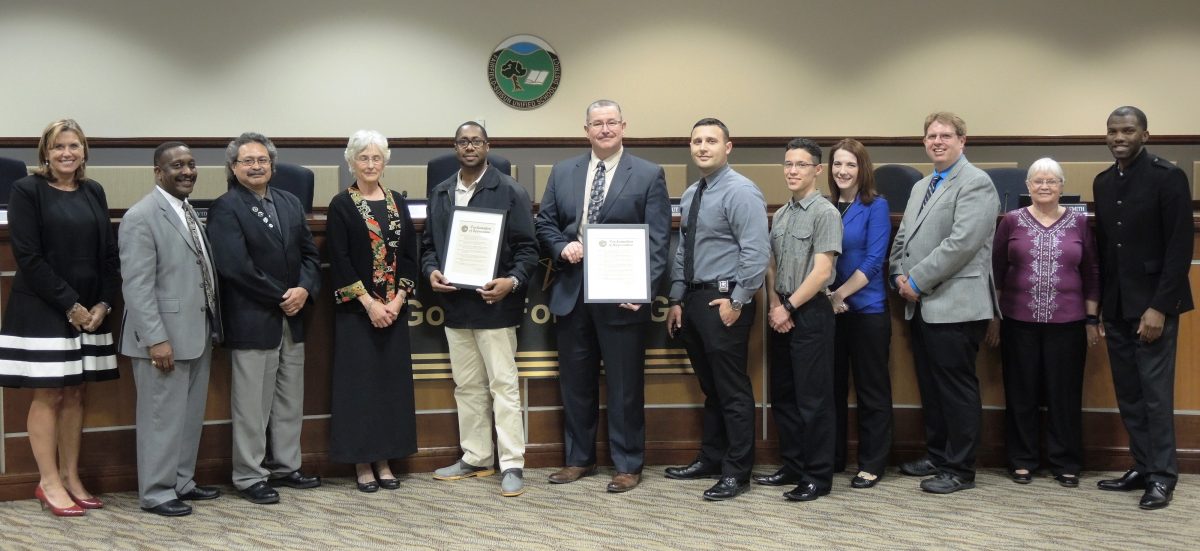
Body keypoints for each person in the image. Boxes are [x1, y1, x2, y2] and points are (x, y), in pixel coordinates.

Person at [535, 100, 671, 493]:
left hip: (621, 296)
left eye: (612, 122)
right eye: (598, 123)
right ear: (586, 129)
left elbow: (659, 241)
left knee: (625, 384)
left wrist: (643, 290)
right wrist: (562, 246)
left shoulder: (647, 174)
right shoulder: (563, 172)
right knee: (575, 382)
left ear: (624, 126)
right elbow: (545, 223)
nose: (605, 129)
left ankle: (628, 463)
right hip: (572, 291)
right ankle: (579, 459)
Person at [0, 119, 119, 517]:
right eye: (58, 147)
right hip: (43, 307)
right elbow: (29, 257)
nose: (66, 153)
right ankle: (47, 481)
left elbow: (107, 254)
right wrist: (71, 305)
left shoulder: (93, 191)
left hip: (90, 311)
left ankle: (70, 476)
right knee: (49, 392)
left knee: (77, 391)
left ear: (84, 151)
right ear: (45, 154)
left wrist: (102, 303)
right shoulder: (26, 190)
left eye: (74, 146)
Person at [207, 132, 322, 504]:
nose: (256, 166)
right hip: (253, 318)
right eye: (247, 161)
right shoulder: (226, 207)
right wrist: (281, 296)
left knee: (290, 399)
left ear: (272, 165)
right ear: (233, 167)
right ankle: (249, 475)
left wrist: (303, 289)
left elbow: (309, 255)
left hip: (294, 317)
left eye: (262, 160)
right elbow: (234, 267)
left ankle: (287, 466)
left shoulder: (289, 202)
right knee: (252, 406)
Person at [425, 122, 539, 497]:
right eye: (462, 141)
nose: (469, 146)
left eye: (476, 140)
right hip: (457, 305)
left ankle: (512, 463)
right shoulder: (441, 192)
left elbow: (528, 250)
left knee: (503, 386)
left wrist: (513, 282)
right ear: (455, 148)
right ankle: (476, 456)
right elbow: (428, 246)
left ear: (488, 146)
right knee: (467, 386)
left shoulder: (510, 191)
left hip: (495, 306)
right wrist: (431, 272)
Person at [889, 112, 999, 494]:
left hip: (956, 302)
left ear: (962, 140)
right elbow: (902, 237)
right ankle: (938, 455)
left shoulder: (976, 183)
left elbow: (962, 243)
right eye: (931, 136)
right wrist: (898, 274)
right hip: (920, 303)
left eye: (945, 135)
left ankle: (960, 469)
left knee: (956, 389)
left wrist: (916, 279)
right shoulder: (922, 186)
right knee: (932, 387)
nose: (937, 141)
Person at [1092, 106, 1193, 510]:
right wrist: (1098, 306)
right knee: (1130, 394)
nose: (1119, 137)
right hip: (1116, 305)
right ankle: (1142, 465)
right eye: (1113, 131)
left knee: (1154, 394)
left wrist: (1159, 307)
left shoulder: (1167, 178)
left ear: (1145, 135)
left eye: (1128, 130)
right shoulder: (1102, 182)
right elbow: (1104, 250)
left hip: (1153, 306)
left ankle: (1163, 476)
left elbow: (1179, 248)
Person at [664, 118, 770, 501]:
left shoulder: (741, 192)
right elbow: (682, 252)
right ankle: (711, 458)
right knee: (711, 389)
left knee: (732, 390)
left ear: (729, 147)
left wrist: (738, 300)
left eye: (711, 140)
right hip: (693, 301)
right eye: (697, 141)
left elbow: (756, 252)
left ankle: (737, 471)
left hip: (725, 301)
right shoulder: (693, 193)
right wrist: (677, 299)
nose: (703, 147)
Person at [119, 142, 224, 516]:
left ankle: (181, 481)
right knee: (160, 419)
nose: (187, 171)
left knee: (188, 416)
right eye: (176, 165)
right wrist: (156, 339)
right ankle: (157, 492)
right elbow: (137, 286)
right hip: (162, 339)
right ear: (158, 172)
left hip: (195, 333)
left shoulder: (188, 211)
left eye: (191, 164)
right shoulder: (141, 216)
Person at [987, 157, 1099, 489]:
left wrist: (1092, 318)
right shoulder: (1011, 220)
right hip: (1017, 321)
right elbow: (994, 271)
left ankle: (1066, 461)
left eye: (1052, 181)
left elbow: (1092, 271)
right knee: (1021, 392)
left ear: (1062, 186)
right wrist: (994, 316)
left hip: (1069, 322)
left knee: (1064, 394)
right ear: (1028, 187)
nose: (1045, 186)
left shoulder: (1079, 223)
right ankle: (1022, 460)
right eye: (1038, 181)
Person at [326, 130, 419, 493]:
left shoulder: (398, 201)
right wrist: (369, 304)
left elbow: (410, 255)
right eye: (362, 158)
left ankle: (385, 459)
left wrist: (395, 302)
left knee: (389, 388)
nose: (370, 164)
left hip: (393, 313)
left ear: (385, 162)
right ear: (351, 162)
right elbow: (340, 259)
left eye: (376, 157)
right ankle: (363, 463)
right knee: (360, 389)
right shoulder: (341, 204)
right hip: (357, 314)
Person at [759, 138, 842, 502]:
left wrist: (788, 308)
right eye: (788, 164)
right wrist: (776, 304)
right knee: (785, 398)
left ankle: (817, 477)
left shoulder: (825, 213)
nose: (792, 171)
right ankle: (792, 465)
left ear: (818, 170)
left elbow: (823, 272)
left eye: (801, 165)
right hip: (782, 312)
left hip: (810, 314)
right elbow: (772, 264)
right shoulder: (782, 214)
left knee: (814, 401)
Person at [825, 139, 893, 489]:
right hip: (832, 313)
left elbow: (872, 261)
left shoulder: (875, 206)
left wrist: (838, 294)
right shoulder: (826, 206)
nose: (843, 171)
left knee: (871, 390)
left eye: (850, 165)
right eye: (837, 164)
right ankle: (834, 458)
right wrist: (829, 299)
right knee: (832, 389)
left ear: (861, 168)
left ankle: (872, 462)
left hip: (866, 310)